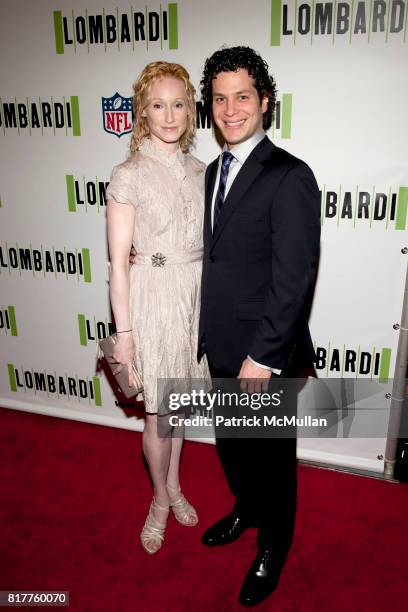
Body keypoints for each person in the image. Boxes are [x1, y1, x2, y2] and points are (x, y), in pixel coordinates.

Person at [197, 46, 321, 606]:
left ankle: (274, 546)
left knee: (272, 459)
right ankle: (245, 509)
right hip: (222, 346)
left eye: (242, 96)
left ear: (265, 101)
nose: (230, 108)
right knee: (232, 446)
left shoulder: (290, 176)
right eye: (220, 98)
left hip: (264, 358)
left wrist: (264, 358)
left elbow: (294, 279)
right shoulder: (213, 174)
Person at [105, 61, 209, 554]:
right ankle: (159, 501)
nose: (170, 115)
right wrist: (124, 334)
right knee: (157, 417)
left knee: (180, 410)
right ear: (142, 113)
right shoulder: (128, 175)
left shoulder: (201, 171)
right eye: (158, 105)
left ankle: (175, 485)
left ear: (191, 109)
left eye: (179, 104)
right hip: (152, 298)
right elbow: (119, 264)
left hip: (194, 298)